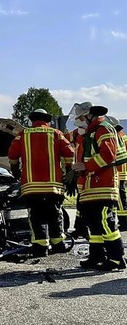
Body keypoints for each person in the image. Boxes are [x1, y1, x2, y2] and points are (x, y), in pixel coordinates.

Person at [8, 109, 74, 257]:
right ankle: (58, 244)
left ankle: (40, 247)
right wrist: (70, 170)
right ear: (47, 120)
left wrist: (15, 169)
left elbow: (12, 154)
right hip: (54, 186)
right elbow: (69, 153)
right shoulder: (56, 134)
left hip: (31, 186)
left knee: (36, 217)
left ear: (32, 121)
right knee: (55, 214)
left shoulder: (23, 135)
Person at [71, 102, 126, 270]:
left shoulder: (104, 128)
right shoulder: (90, 132)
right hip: (90, 187)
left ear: (90, 115)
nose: (80, 121)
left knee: (105, 222)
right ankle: (97, 256)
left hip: (103, 185)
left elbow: (108, 156)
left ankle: (117, 258)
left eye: (81, 117)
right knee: (93, 224)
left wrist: (85, 166)